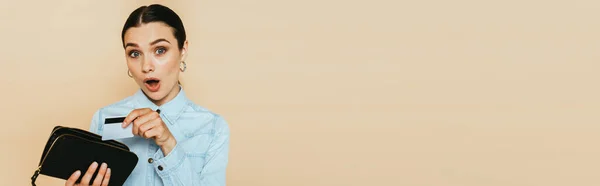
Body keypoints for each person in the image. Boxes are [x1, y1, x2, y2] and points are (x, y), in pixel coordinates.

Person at [64, 4, 230, 186]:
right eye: (134, 53)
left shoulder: (212, 127)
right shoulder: (104, 119)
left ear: (183, 50)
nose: (146, 66)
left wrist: (168, 143)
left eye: (160, 50)